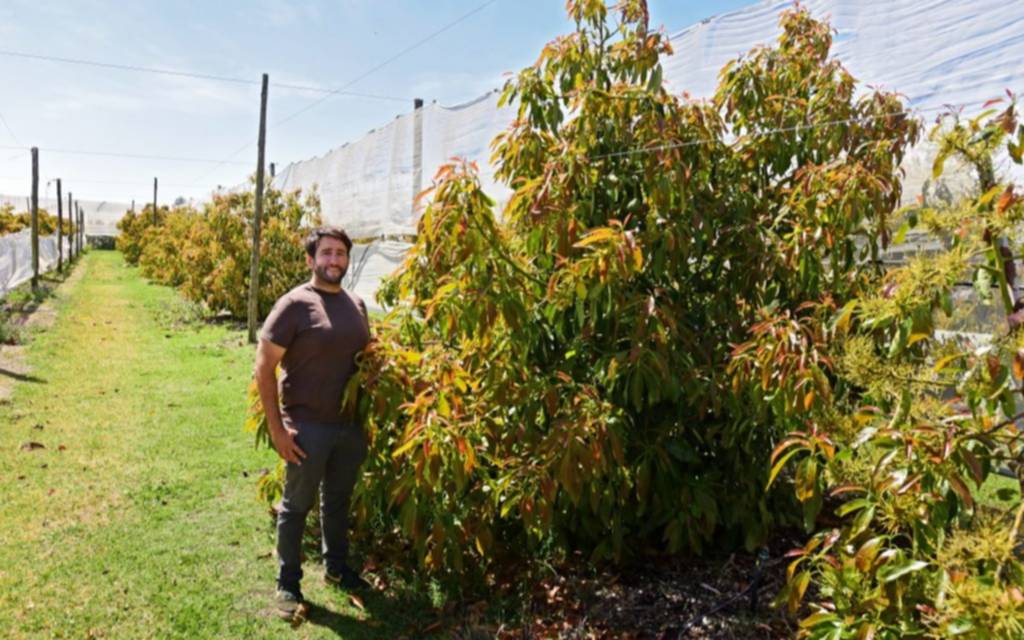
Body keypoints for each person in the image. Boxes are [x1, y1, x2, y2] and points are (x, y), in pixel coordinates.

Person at [253, 226, 371, 621]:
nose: (334, 260)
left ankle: (336, 567)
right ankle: (288, 582)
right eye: (326, 253)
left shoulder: (356, 304)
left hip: (348, 427)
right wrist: (277, 429)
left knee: (337, 501)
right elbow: (264, 366)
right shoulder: (295, 304)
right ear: (310, 259)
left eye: (340, 253)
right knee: (296, 506)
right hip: (307, 426)